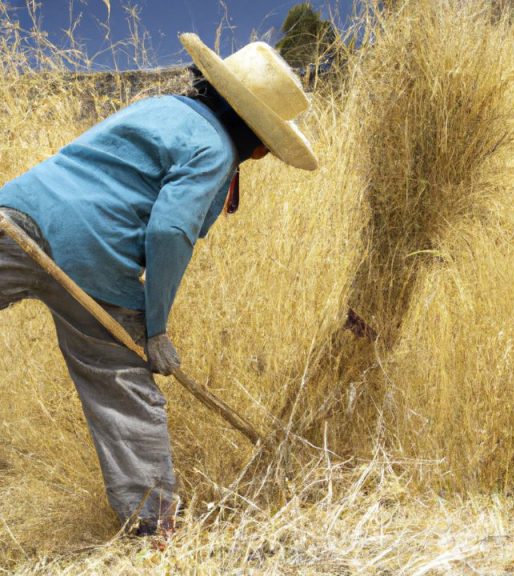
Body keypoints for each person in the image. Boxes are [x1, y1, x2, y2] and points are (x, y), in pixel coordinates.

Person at [0, 34, 317, 537]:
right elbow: (170, 231)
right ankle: (154, 531)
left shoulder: (162, 107)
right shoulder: (215, 150)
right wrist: (156, 329)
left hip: (16, 213)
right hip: (95, 262)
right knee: (121, 388)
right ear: (258, 140)